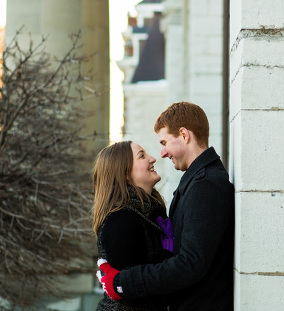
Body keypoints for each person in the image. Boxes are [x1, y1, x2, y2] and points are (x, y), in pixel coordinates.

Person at [98, 102, 234, 311]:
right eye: (143, 155)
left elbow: (189, 264)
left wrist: (122, 282)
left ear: (184, 135)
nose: (160, 154)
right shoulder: (194, 184)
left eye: (164, 142)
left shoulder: (205, 185)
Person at [93, 141, 174, 311]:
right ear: (125, 175)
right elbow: (129, 295)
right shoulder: (121, 220)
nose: (152, 159)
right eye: (142, 156)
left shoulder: (147, 213)